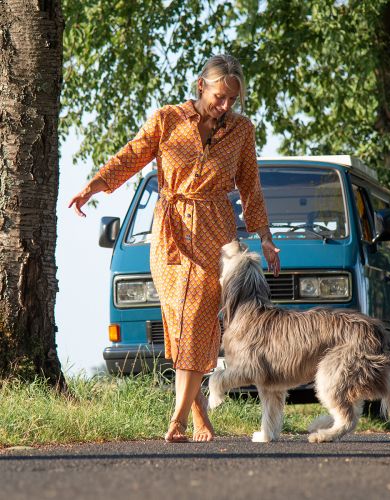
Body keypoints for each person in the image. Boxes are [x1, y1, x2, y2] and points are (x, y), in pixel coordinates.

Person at [68, 54, 281, 443]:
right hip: (169, 229)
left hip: (216, 233)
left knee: (198, 314)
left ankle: (177, 420)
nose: (225, 106)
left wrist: (264, 237)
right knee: (181, 323)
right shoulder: (167, 119)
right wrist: (95, 185)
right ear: (202, 86)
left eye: (232, 100)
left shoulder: (241, 131)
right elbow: (133, 155)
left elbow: (250, 188)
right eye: (220, 97)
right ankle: (199, 416)